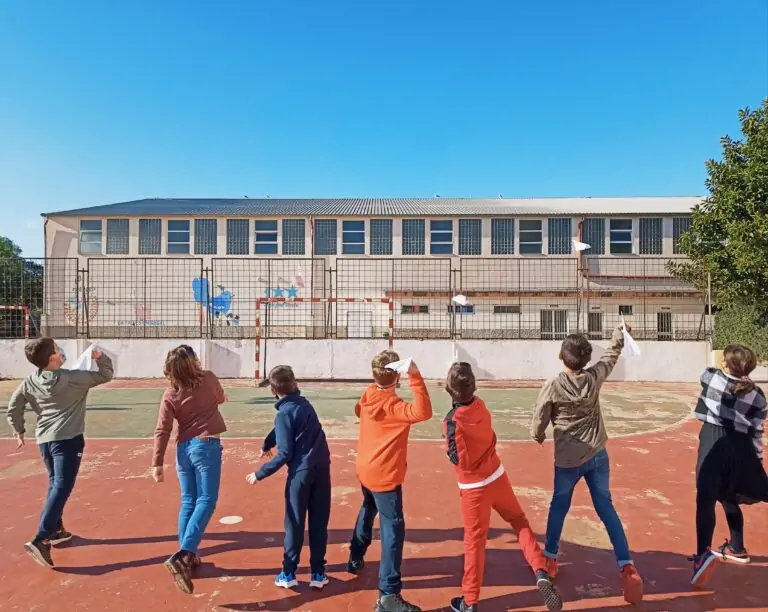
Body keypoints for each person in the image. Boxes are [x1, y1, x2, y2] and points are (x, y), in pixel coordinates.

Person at [531, 325, 643, 605]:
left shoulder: (554, 384)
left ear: (561, 356)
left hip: (567, 460)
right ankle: (627, 565)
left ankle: (552, 559)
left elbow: (540, 415)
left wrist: (538, 433)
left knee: (559, 507)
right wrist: (619, 335)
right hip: (597, 454)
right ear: (585, 359)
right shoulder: (593, 378)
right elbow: (610, 359)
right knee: (606, 509)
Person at [443, 363, 562, 612]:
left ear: (450, 391)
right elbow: (491, 437)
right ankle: (540, 570)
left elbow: (459, 459)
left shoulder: (452, 420)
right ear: (473, 386)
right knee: (519, 522)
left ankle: (470, 600)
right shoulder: (481, 405)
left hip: (474, 487)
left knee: (474, 543)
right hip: (497, 476)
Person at [6, 338, 113, 568]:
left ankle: (56, 530)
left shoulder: (31, 380)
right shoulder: (74, 379)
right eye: (57, 349)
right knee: (63, 486)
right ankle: (41, 537)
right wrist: (100, 358)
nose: (60, 351)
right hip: (68, 440)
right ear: (52, 357)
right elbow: (106, 375)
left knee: (55, 483)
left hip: (45, 440)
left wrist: (18, 430)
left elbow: (14, 405)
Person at [347, 351, 433, 612]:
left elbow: (359, 409)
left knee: (368, 508)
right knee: (392, 532)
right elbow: (424, 411)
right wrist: (415, 375)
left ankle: (355, 555)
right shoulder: (396, 408)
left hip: (366, 469)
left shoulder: (367, 395)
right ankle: (388, 595)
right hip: (385, 476)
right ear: (397, 376)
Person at [246, 365, 332, 591]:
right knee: (318, 523)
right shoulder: (306, 406)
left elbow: (285, 452)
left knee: (294, 523)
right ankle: (318, 572)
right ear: (295, 384)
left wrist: (260, 473)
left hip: (300, 475)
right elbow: (284, 427)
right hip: (322, 470)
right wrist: (268, 442)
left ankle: (289, 573)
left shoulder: (284, 414)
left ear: (274, 392)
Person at [689, 344, 768, 587]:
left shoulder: (712, 378)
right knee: (728, 494)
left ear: (726, 364)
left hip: (714, 438)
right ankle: (737, 547)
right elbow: (757, 429)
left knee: (706, 498)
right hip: (741, 445)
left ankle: (703, 554)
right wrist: (755, 457)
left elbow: (708, 372)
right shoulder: (758, 394)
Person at [152, 344, 227, 595]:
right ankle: (184, 554)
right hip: (206, 446)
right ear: (193, 362)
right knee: (206, 500)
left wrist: (157, 463)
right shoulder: (208, 378)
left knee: (188, 501)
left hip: (183, 449)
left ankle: (187, 554)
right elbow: (220, 397)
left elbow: (162, 430)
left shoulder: (170, 394)